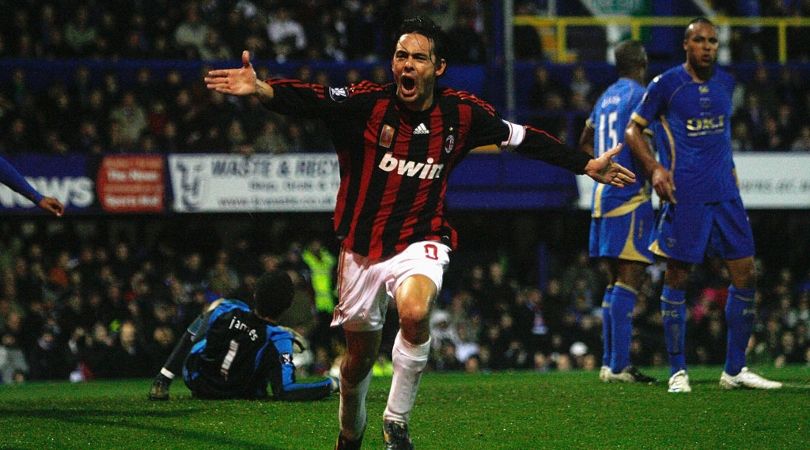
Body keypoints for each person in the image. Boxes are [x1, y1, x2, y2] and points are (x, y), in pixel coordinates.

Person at [204, 16, 635, 449]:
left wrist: (584, 163)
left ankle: (396, 424)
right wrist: (262, 89)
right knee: (356, 363)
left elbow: (522, 138)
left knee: (413, 313)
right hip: (361, 249)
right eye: (400, 56)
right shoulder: (367, 103)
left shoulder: (462, 114)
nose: (406, 65)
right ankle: (350, 435)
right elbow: (310, 98)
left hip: (421, 238)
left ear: (439, 67)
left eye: (418, 58)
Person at [625, 17, 782, 393]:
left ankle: (735, 370)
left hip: (726, 195)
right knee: (677, 277)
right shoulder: (667, 85)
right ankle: (677, 371)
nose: (708, 46)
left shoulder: (727, 83)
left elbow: (723, 138)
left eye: (713, 40)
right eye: (700, 40)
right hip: (686, 196)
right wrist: (655, 169)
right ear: (686, 45)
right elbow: (633, 130)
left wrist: (731, 172)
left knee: (746, 275)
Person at [577, 40, 656, 385]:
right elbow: (640, 139)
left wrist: (601, 166)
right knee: (629, 280)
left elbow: (583, 142)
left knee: (614, 283)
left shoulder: (604, 97)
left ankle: (611, 364)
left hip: (601, 196)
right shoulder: (641, 94)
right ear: (642, 61)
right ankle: (620, 366)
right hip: (628, 195)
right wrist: (652, 171)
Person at [148, 270, 338, 401]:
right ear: (287, 306)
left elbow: (194, 336)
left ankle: (162, 379)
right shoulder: (279, 338)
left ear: (255, 294)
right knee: (271, 350)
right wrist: (331, 384)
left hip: (198, 380)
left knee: (213, 312)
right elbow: (286, 390)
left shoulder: (227, 308)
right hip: (237, 391)